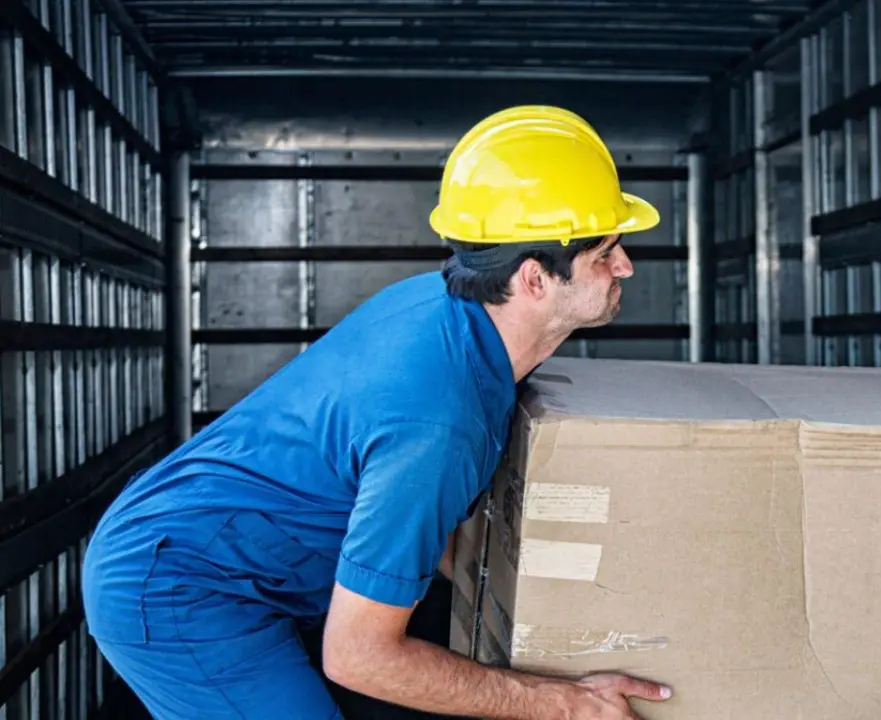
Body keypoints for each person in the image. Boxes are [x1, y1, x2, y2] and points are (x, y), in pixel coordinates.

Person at [80, 105, 673, 719]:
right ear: (533, 278)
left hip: (237, 555)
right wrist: (566, 705)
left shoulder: (451, 313)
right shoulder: (437, 422)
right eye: (605, 253)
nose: (625, 265)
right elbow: (359, 654)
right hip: (180, 589)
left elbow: (429, 522)